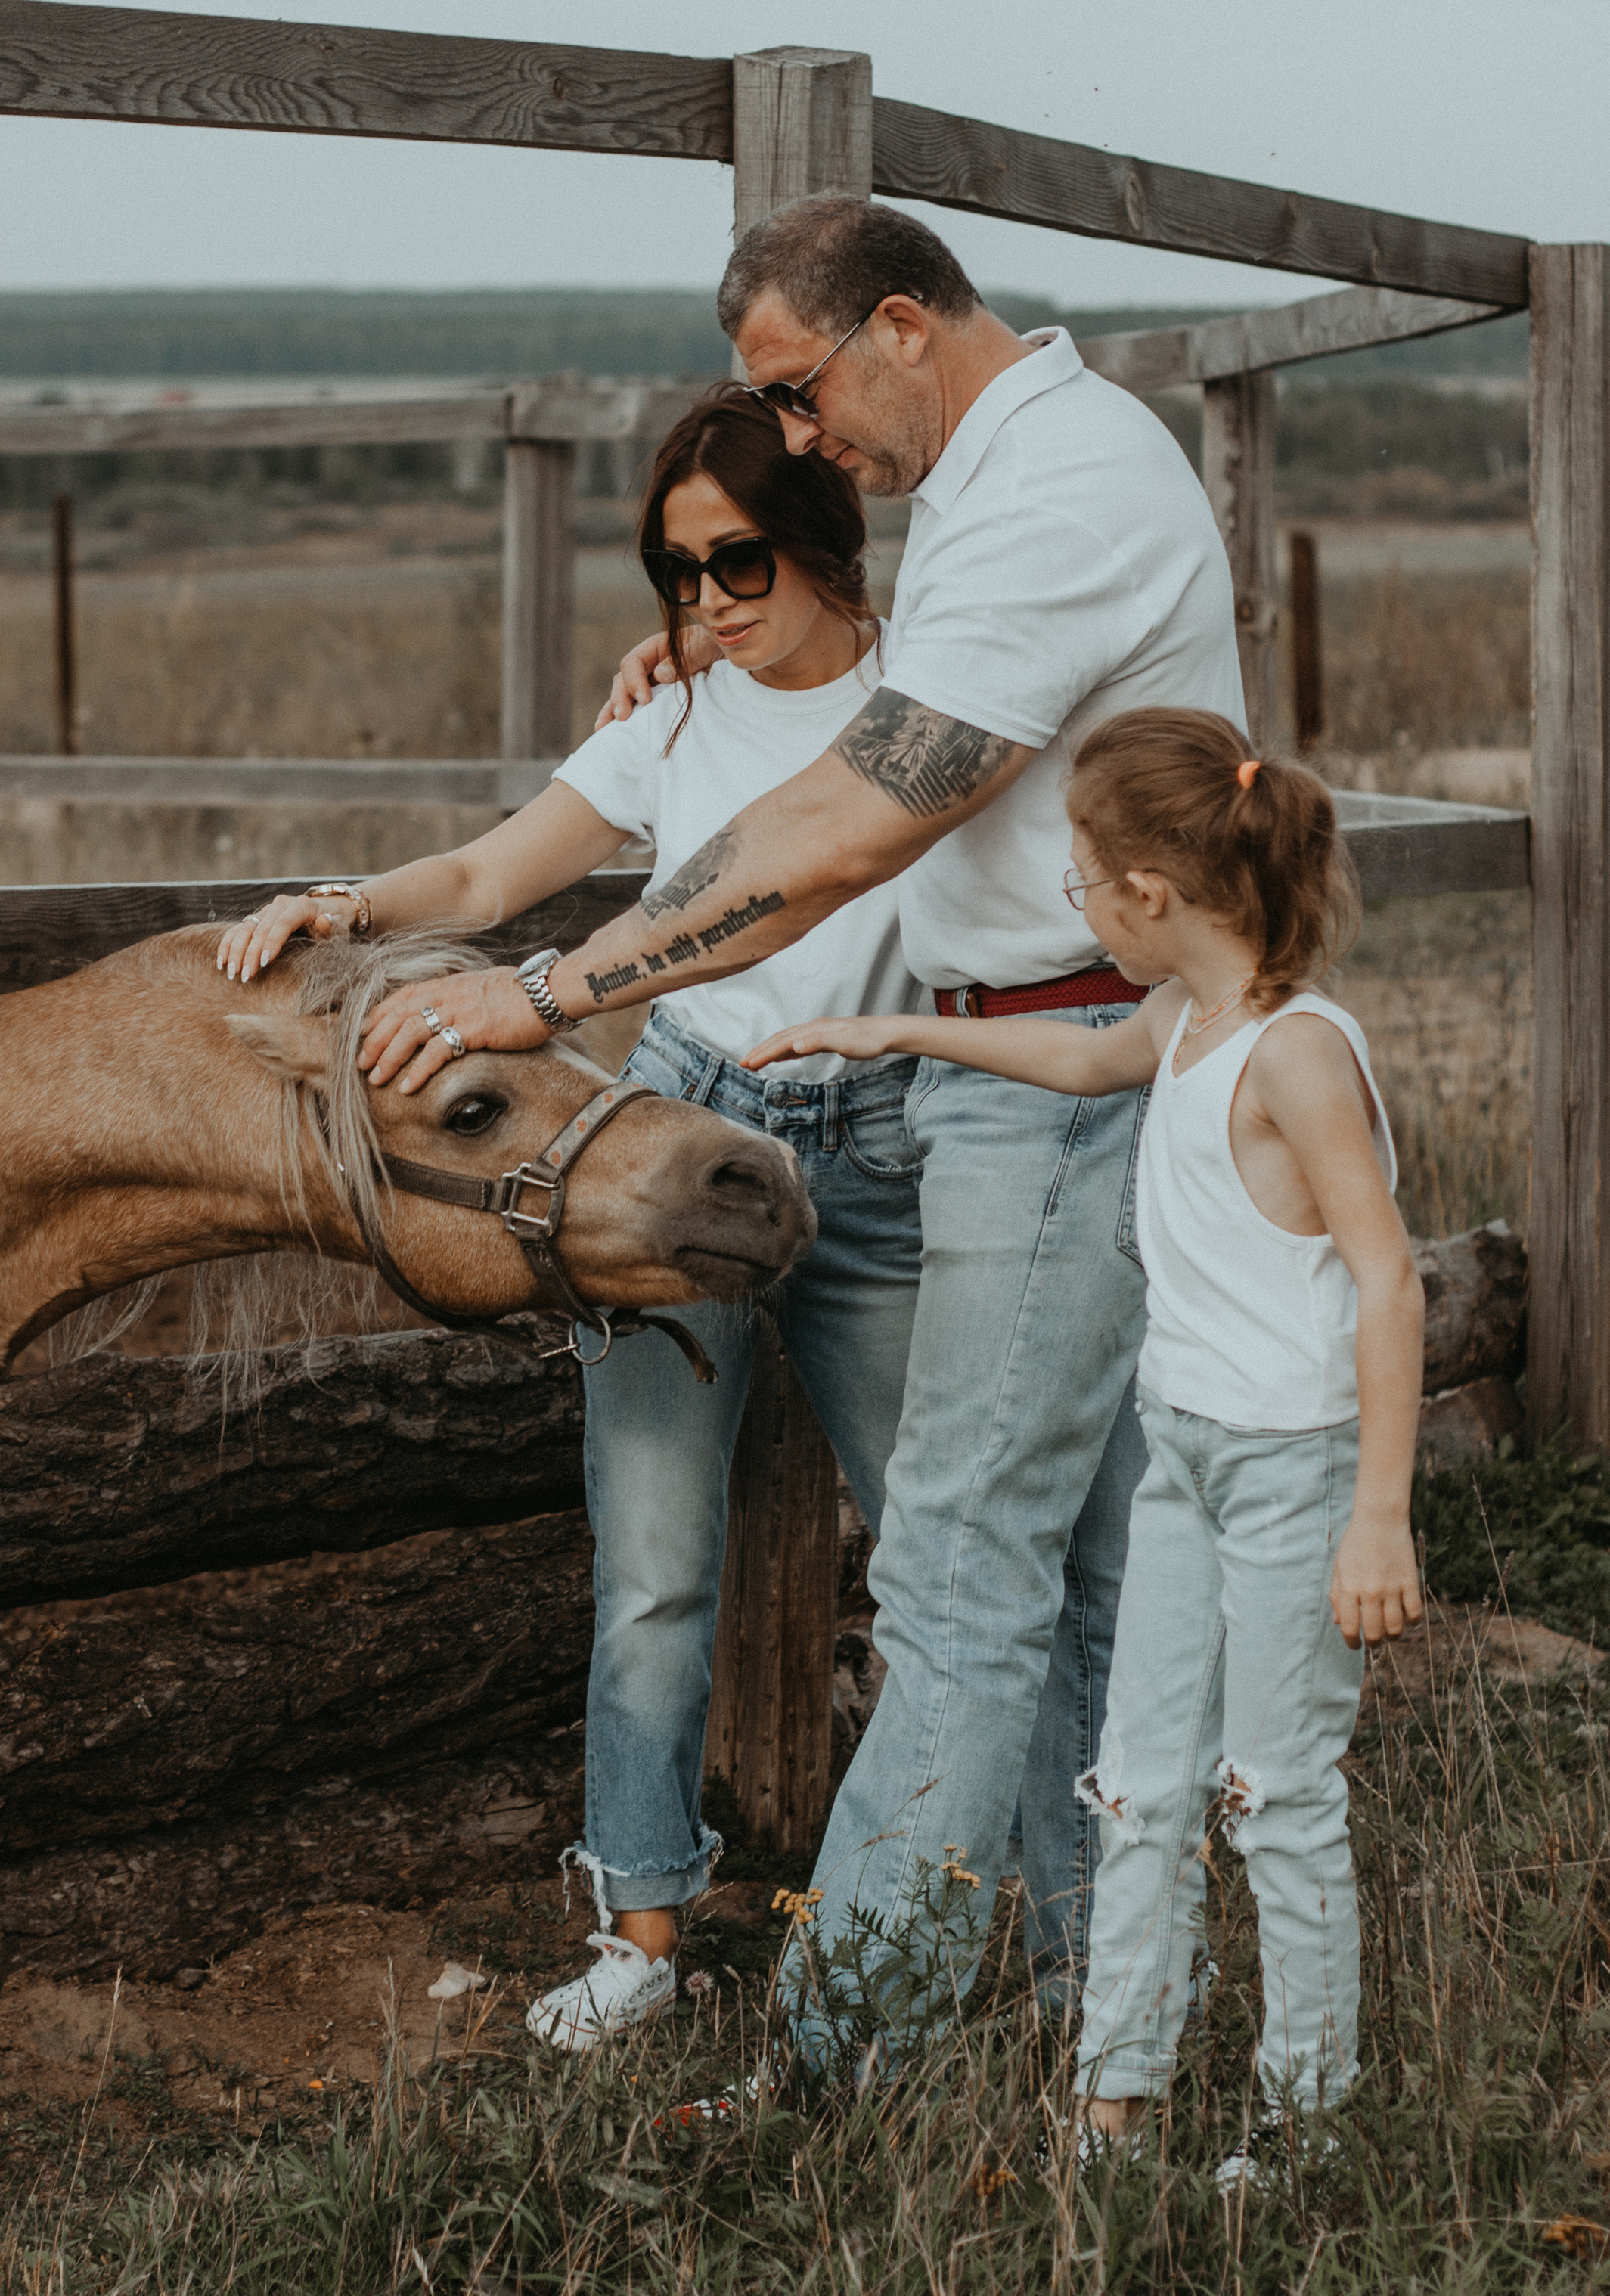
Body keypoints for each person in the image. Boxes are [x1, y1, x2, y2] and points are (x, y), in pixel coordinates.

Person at [360, 195, 1245, 2052]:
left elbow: (844, 824)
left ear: (900, 326)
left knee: (967, 1569)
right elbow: (829, 744)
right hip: (997, 1063)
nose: (800, 429)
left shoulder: (1057, 489)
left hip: (1051, 1071)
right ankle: (1104, 1997)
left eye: (799, 387)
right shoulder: (991, 492)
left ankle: (876, 2035)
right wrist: (687, 674)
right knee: (1055, 1553)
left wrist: (544, 993)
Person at [216, 387, 926, 2049]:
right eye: (675, 575)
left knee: (931, 1560)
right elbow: (490, 878)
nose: (707, 605)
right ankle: (640, 1934)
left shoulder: (927, 701)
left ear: (820, 538)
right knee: (654, 1569)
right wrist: (344, 902)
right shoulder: (669, 719)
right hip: (671, 1138)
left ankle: (906, 1909)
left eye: (737, 562)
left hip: (883, 1144)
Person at [749, 709, 1422, 2150]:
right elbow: (1075, 1063)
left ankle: (1303, 2126)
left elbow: (1389, 1278)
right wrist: (889, 1029)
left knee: (1279, 1798)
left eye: (1081, 878)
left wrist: (1378, 1514)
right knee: (1139, 1786)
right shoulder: (1183, 1020)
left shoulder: (1298, 1055)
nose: (1078, 903)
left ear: (1151, 895)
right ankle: (1117, 2095)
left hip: (1292, 1471)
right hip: (1183, 1456)